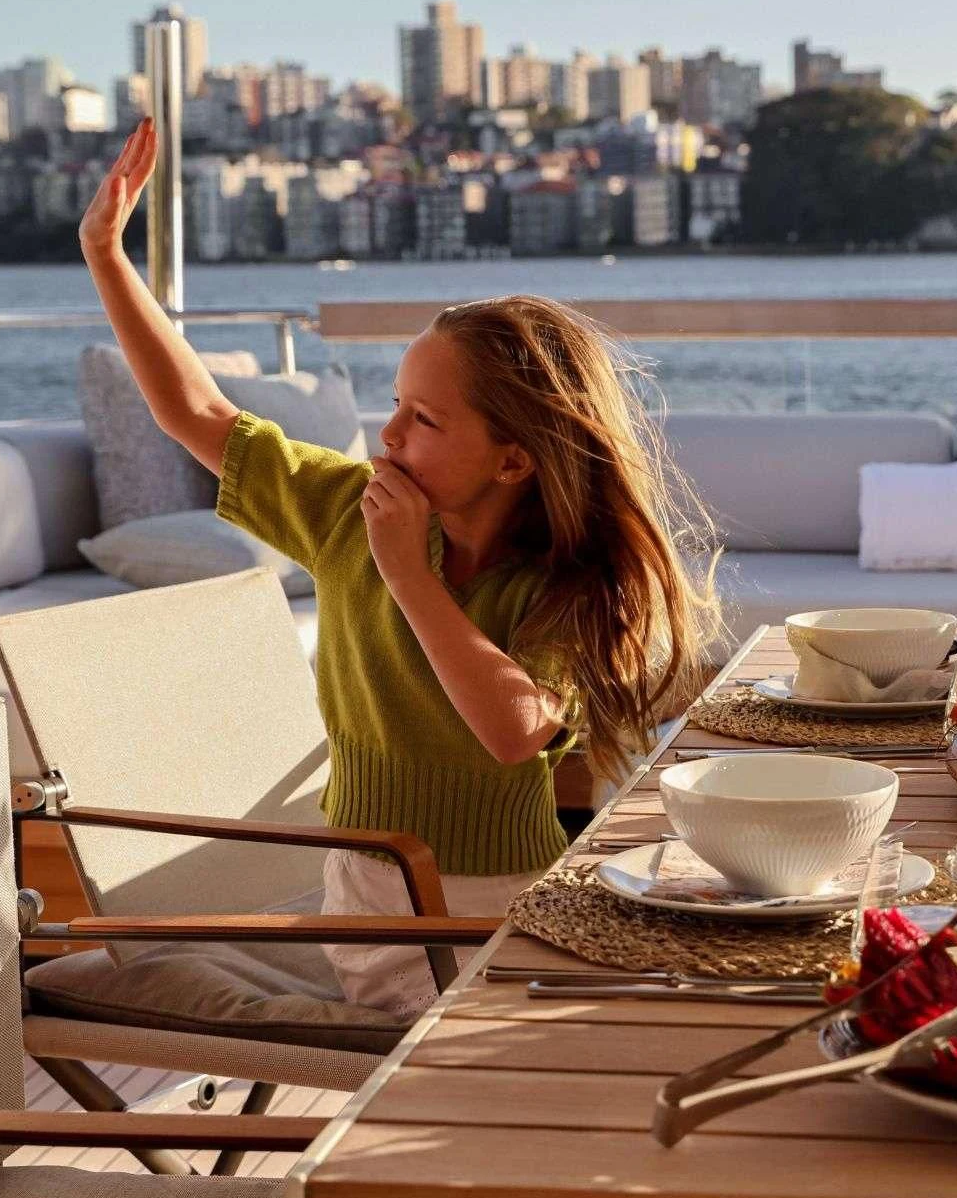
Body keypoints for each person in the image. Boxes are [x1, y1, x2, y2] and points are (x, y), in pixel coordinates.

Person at [78, 118, 720, 1007]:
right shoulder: (345, 506)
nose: (388, 433)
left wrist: (407, 575)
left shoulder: (564, 575)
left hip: (506, 900)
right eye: (396, 404)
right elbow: (196, 413)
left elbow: (515, 729)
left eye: (425, 419)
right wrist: (107, 256)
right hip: (369, 889)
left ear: (513, 460)